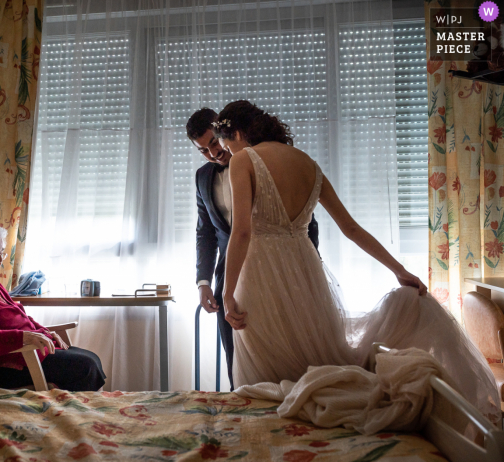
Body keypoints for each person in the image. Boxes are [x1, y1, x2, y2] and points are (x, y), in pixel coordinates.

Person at [214, 100, 499, 423]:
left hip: (261, 275)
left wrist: (227, 292)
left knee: (264, 380)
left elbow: (241, 233)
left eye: (227, 145)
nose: (229, 153)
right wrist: (399, 270)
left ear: (236, 132)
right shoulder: (308, 164)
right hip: (305, 273)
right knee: (308, 361)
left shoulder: (244, 162)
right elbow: (350, 228)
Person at [188, 108, 319, 390]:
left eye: (213, 143)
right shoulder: (203, 178)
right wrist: (203, 282)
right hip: (231, 281)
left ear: (224, 133)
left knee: (289, 351)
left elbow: (306, 221)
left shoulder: (268, 162)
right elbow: (206, 234)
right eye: (203, 151)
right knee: (239, 361)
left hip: (280, 271)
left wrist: (309, 265)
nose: (213, 153)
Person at [0, 223, 106, 391]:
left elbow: (18, 316)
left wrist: (44, 331)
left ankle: (66, 406)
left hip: (27, 353)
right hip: (3, 365)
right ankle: (63, 409)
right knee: (87, 367)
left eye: (1, 252)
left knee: (91, 358)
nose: (0, 259)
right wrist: (23, 338)